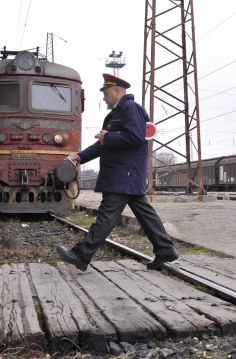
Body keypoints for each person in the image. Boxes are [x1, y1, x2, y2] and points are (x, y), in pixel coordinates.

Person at [56, 73, 180, 271]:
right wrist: (78, 157)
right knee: (146, 215)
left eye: (105, 93)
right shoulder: (117, 113)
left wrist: (109, 137)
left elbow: (136, 137)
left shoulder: (130, 108)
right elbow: (103, 144)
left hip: (123, 175)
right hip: (125, 176)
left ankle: (80, 255)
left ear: (116, 91)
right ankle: (165, 250)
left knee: (106, 217)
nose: (104, 97)